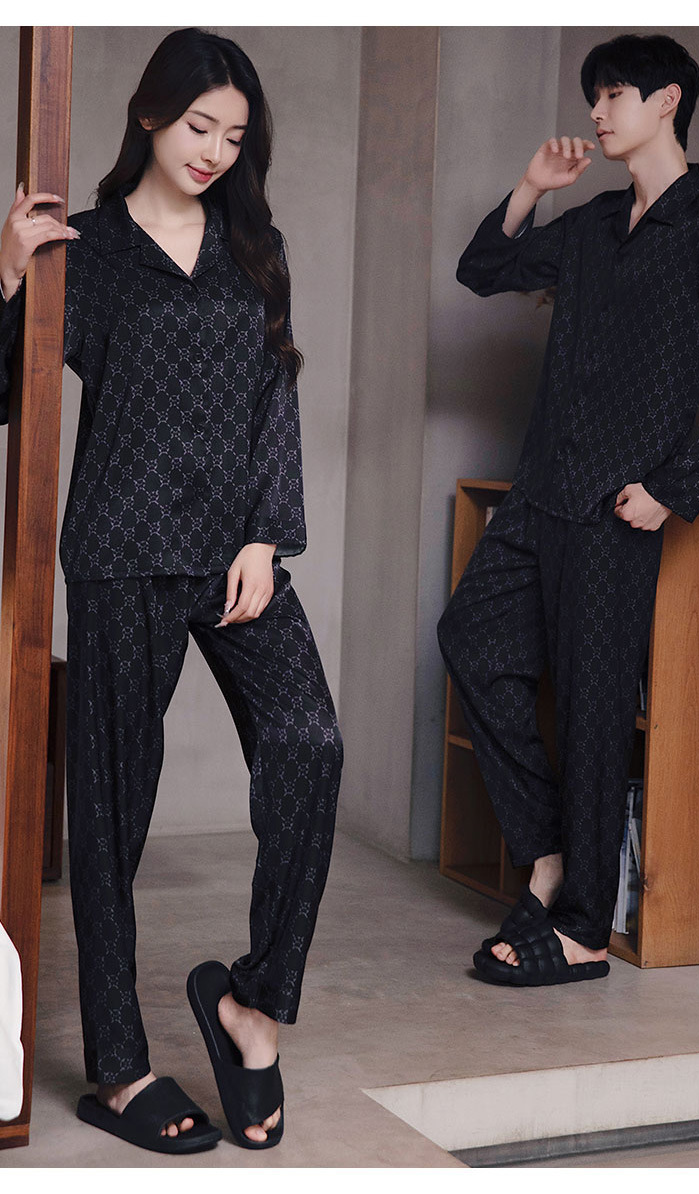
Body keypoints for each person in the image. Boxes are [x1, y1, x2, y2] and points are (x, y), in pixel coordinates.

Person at [0, 27, 343, 1154]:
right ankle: (118, 1070)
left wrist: (266, 536)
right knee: (111, 810)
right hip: (123, 550)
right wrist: (8, 276)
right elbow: (6, 395)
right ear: (150, 113)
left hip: (233, 554)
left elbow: (276, 394)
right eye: (200, 125)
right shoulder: (90, 251)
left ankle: (250, 1005)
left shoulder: (255, 245)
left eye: (234, 136)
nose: (213, 151)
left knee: (307, 742)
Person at [437, 33, 699, 989]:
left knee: (592, 714)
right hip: (537, 493)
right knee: (470, 639)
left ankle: (584, 926)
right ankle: (548, 855)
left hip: (614, 514)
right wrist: (530, 187)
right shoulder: (590, 224)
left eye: (615, 93)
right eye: (596, 94)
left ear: (668, 102)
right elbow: (482, 268)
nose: (597, 111)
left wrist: (672, 489)